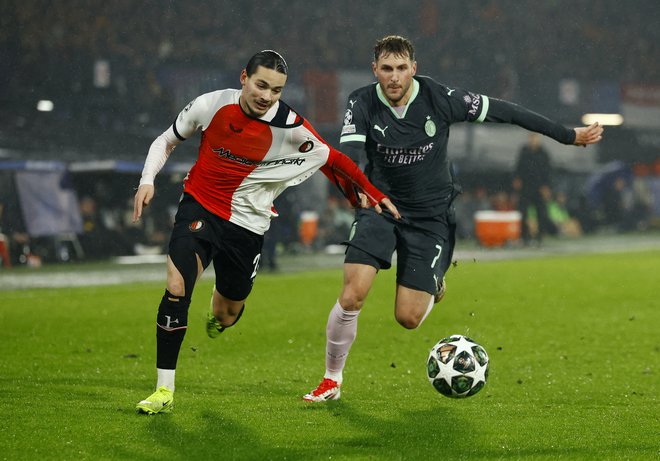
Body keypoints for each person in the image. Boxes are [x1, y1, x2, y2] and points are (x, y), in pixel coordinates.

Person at [303, 35, 603, 402]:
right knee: (352, 295)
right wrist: (363, 190)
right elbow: (348, 155)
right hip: (380, 206)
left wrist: (566, 134)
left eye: (401, 68)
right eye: (386, 69)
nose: (394, 77)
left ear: (414, 69)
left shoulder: (440, 99)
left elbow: (506, 111)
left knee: (408, 318)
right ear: (375, 71)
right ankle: (332, 380)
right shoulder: (361, 102)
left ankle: (434, 283)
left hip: (430, 215)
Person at [133, 50, 400, 414]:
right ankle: (164, 390)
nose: (266, 96)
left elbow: (332, 159)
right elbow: (165, 141)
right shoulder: (210, 105)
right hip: (200, 207)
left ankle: (220, 310)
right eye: (261, 85)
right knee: (177, 287)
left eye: (275, 90)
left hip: (248, 225)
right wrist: (147, 180)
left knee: (228, 313)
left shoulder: (289, 125)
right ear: (244, 77)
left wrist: (374, 193)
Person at [513, 132, 556, 244]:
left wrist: (546, 186)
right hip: (525, 187)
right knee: (522, 212)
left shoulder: (543, 153)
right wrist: (517, 179)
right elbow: (518, 168)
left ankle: (539, 236)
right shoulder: (524, 152)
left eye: (535, 138)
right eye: (531, 138)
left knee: (541, 213)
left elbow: (548, 171)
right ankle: (525, 236)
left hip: (539, 188)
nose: (533, 140)